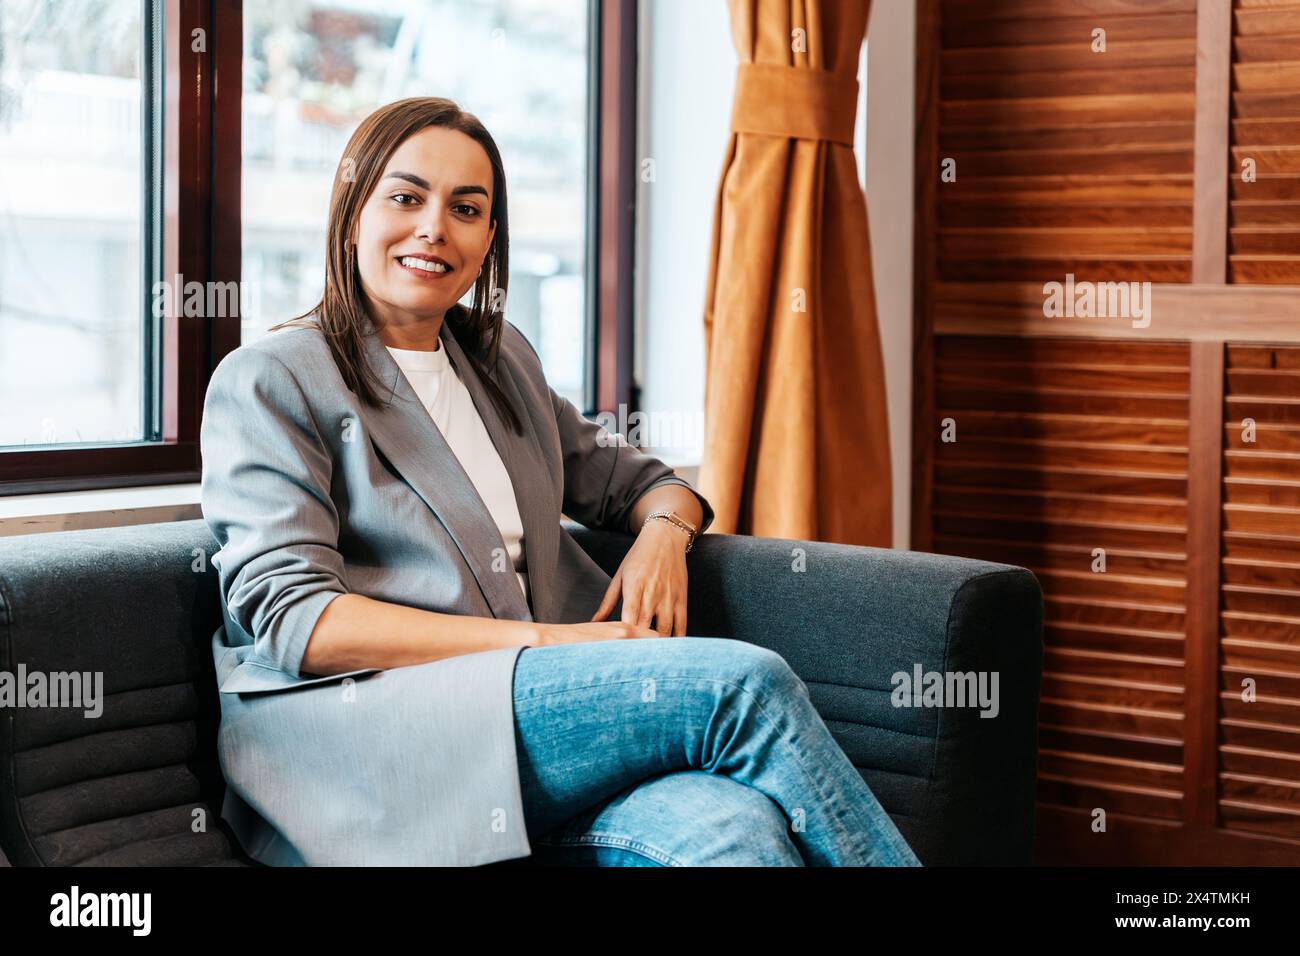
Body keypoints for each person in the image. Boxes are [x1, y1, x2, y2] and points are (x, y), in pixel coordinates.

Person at [200, 95, 920, 867]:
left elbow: (646, 484)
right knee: (744, 684)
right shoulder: (272, 379)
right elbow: (300, 621)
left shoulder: (498, 357)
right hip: (376, 741)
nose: (434, 228)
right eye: (405, 197)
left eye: (466, 209)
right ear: (351, 213)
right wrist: (547, 644)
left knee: (730, 828)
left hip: (529, 731)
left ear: (488, 240)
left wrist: (663, 539)